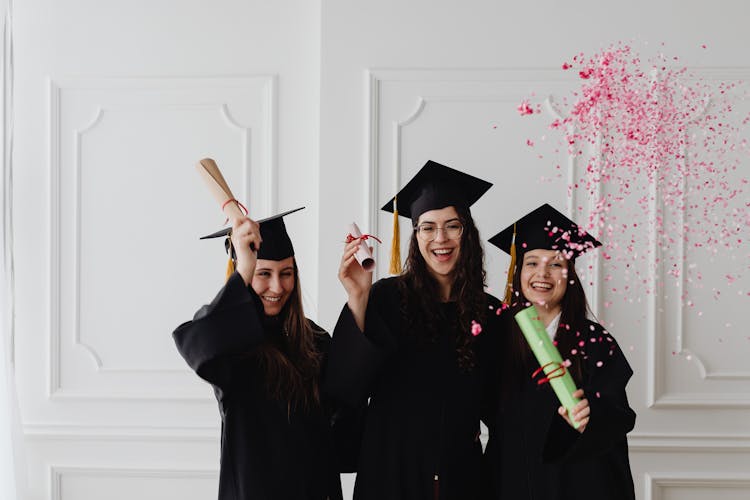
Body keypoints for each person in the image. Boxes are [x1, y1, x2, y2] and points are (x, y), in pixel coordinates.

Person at [324, 160, 502, 500]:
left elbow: (501, 407)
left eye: (452, 226)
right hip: (389, 472)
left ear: (468, 232)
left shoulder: (490, 313)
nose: (441, 238)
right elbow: (345, 387)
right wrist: (358, 296)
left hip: (461, 474)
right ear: (415, 235)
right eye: (428, 227)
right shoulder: (386, 299)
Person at [173, 207, 355, 500]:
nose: (277, 287)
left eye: (286, 273)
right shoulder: (233, 344)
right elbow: (198, 344)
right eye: (263, 274)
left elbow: (345, 412)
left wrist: (358, 299)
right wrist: (245, 268)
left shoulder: (315, 340)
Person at [483, 203, 636, 500]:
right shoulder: (496, 337)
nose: (543, 274)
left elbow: (619, 415)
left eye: (555, 264)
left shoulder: (594, 341)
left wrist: (590, 413)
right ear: (518, 271)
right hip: (510, 479)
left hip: (578, 482)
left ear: (570, 275)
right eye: (532, 262)